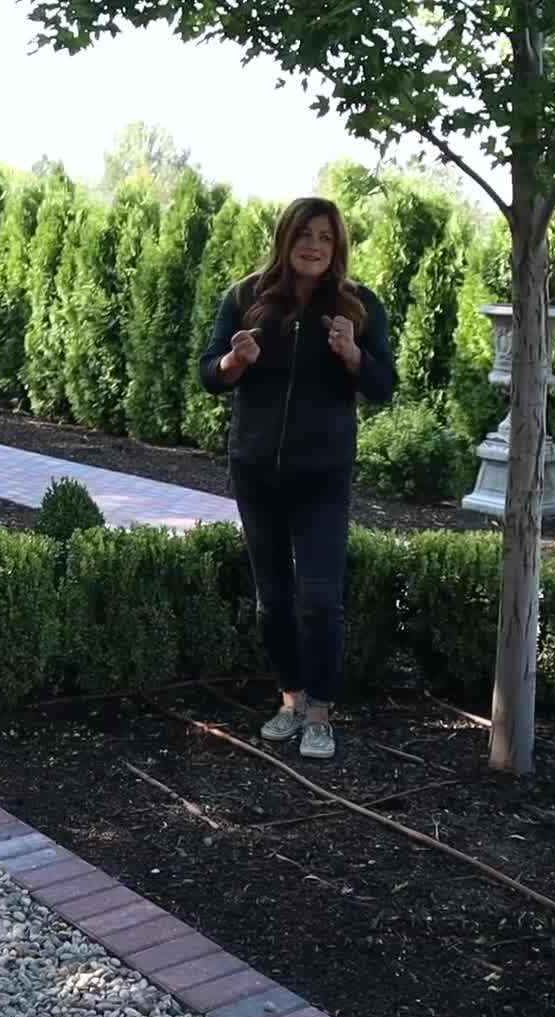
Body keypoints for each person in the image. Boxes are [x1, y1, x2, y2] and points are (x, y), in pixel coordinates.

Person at [198, 197, 396, 760]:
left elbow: (384, 384)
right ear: (285, 239)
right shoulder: (245, 297)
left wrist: (352, 354)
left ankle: (320, 713)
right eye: (305, 234)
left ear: (338, 248)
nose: (314, 246)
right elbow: (209, 370)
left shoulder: (359, 305)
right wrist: (233, 364)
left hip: (323, 473)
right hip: (256, 468)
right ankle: (289, 700)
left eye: (326, 238)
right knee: (274, 600)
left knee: (321, 599)